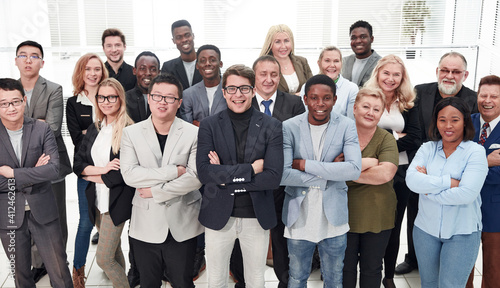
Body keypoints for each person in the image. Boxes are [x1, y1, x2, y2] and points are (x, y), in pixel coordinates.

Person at [196, 64, 284, 288]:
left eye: (244, 88)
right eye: (232, 89)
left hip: (256, 216)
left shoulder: (271, 126)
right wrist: (251, 170)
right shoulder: (209, 125)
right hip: (218, 214)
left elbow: (273, 177)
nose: (238, 95)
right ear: (223, 92)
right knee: (216, 280)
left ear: (253, 91)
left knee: (255, 280)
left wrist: (225, 176)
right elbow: (205, 172)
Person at [396, 51, 478, 276]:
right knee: (415, 214)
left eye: (456, 72)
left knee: (449, 211)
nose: (449, 75)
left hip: (456, 168)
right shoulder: (419, 92)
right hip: (420, 166)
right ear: (437, 71)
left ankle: (447, 257)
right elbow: (409, 128)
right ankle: (414, 258)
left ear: (465, 74)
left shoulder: (474, 99)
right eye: (445, 70)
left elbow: (473, 134)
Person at [121, 74, 204, 288]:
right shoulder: (131, 133)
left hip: (182, 222)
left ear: (179, 103)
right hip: (145, 223)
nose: (162, 102)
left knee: (183, 282)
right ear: (149, 98)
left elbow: (195, 178)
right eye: (157, 96)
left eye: (169, 98)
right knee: (148, 283)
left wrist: (155, 192)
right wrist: (173, 171)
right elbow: (130, 174)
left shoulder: (193, 133)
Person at [230, 55, 306, 288]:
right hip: (250, 184)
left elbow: (300, 142)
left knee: (282, 238)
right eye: (263, 74)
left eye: (274, 74)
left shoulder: (293, 104)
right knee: (244, 239)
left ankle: (284, 281)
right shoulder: (241, 100)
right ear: (254, 78)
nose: (268, 79)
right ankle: (242, 281)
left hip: (283, 185)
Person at [281, 74, 362, 287]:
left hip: (334, 218)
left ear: (335, 100)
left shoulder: (346, 126)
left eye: (326, 98)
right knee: (297, 278)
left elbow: (353, 170)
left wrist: (303, 164)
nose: (320, 104)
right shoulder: (289, 127)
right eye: (314, 98)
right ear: (305, 99)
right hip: (299, 216)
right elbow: (283, 174)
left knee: (334, 279)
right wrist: (332, 172)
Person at [406, 97, 488, 287]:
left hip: (463, 232)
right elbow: (412, 180)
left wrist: (427, 190)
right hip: (425, 230)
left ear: (465, 121)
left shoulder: (475, 152)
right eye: (442, 120)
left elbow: (467, 194)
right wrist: (449, 183)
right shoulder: (427, 148)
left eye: (455, 119)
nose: (448, 125)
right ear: (436, 122)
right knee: (428, 284)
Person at [0, 78, 73, 288]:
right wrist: (34, 172)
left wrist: (12, 173)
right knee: (21, 276)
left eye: (15, 101)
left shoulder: (42, 129)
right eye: (4, 103)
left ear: (24, 101)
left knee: (60, 272)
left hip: (43, 210)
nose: (11, 107)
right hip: (9, 215)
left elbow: (52, 169)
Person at [15, 40, 72, 283]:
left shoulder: (54, 89)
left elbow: (51, 127)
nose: (28, 60)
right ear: (16, 60)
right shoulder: (6, 89)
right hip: (16, 167)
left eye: (34, 56)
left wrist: (18, 129)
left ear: (42, 62)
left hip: (49, 164)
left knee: (54, 216)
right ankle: (39, 264)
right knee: (26, 217)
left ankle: (58, 261)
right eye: (23, 55)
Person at [363, 54, 421, 288]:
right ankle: (368, 272)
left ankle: (388, 276)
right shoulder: (366, 98)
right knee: (369, 226)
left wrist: (382, 145)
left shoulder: (408, 102)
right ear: (377, 73)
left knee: (393, 227)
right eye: (386, 73)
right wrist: (395, 138)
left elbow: (416, 138)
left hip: (400, 173)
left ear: (402, 77)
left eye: (396, 74)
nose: (391, 78)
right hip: (370, 171)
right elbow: (362, 134)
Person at [73, 78, 134, 288]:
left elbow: (121, 176)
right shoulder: (95, 128)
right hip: (97, 201)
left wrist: (91, 175)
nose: (106, 102)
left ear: (120, 99)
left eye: (111, 97)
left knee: (104, 258)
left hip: (115, 203)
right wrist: (102, 171)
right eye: (101, 97)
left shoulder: (129, 130)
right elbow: (77, 164)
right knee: (114, 252)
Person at [343, 88, 398, 288]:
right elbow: (328, 169)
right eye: (366, 106)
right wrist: (369, 162)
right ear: (355, 108)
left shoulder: (386, 138)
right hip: (343, 214)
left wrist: (345, 172)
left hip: (377, 216)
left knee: (372, 269)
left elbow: (385, 174)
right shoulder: (341, 135)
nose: (370, 112)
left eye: (376, 109)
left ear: (381, 113)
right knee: (344, 268)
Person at [66, 53, 108, 288]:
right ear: (81, 72)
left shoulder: (109, 95)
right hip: (87, 170)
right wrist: (99, 132)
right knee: (85, 223)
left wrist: (88, 133)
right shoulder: (73, 103)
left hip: (110, 170)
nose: (93, 73)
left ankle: (111, 262)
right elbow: (76, 139)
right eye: (88, 69)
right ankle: (78, 269)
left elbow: (116, 133)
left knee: (109, 222)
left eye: (97, 69)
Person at [466, 75, 500, 288]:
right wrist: (486, 163)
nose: (488, 100)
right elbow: (450, 163)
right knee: (462, 267)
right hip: (463, 210)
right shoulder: (463, 122)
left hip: (495, 212)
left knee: (493, 270)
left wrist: (467, 170)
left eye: (494, 96)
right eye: (483, 95)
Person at [300, 46, 359, 119]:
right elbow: (304, 118)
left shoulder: (351, 89)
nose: (332, 65)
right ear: (319, 63)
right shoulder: (306, 87)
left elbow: (351, 121)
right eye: (327, 61)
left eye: (336, 61)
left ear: (341, 64)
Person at [180, 44, 227, 126]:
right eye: (202, 61)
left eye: (212, 60)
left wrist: (200, 124)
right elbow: (187, 126)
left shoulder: (231, 90)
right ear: (197, 66)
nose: (207, 64)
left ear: (220, 64)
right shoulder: (188, 94)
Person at [260, 24, 313, 94]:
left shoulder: (302, 61)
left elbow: (313, 87)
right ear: (270, 44)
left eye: (286, 41)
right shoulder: (262, 66)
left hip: (302, 105)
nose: (283, 46)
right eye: (278, 42)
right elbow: (266, 94)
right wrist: (296, 96)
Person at [161, 20, 202, 90]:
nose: (184, 40)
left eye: (187, 35)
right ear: (173, 40)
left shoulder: (207, 63)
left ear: (193, 36)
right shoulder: (168, 68)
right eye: (179, 37)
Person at [342, 20, 382, 88]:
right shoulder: (343, 62)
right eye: (354, 38)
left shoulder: (381, 64)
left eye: (363, 37)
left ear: (372, 39)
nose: (358, 41)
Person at [125, 51, 160, 123]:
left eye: (153, 69)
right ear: (134, 71)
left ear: (159, 73)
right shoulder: (125, 98)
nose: (148, 73)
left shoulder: (164, 99)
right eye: (142, 68)